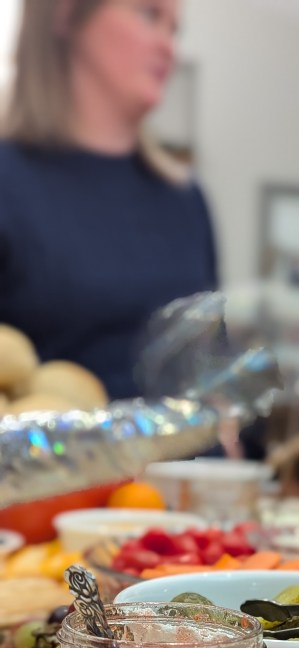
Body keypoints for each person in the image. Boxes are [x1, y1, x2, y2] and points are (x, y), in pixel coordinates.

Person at [0, 0, 217, 400]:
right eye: (150, 14)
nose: (169, 47)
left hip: (192, 463)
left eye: (175, 29)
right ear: (67, 14)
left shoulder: (186, 200)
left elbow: (207, 363)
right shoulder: (8, 183)